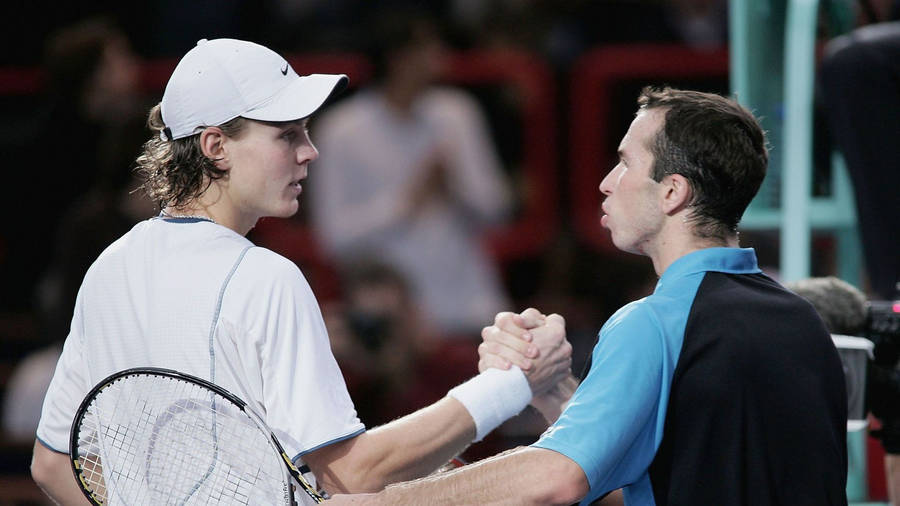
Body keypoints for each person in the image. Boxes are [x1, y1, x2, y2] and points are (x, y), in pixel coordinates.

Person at [29, 38, 572, 504]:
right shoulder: (266, 278)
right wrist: (510, 385)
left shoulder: (109, 267)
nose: (310, 152)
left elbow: (54, 465)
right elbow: (350, 475)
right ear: (215, 146)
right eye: (287, 135)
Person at [328, 87, 849, 505]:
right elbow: (661, 484)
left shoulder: (653, 322)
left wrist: (384, 502)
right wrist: (552, 392)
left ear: (672, 192)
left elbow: (556, 479)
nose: (605, 182)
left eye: (625, 164)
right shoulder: (801, 320)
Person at [310, 11, 513, 337]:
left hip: (470, 307)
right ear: (398, 58)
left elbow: (497, 211)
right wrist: (406, 201)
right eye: (427, 46)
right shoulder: (341, 130)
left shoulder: (458, 112)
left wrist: (453, 185)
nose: (441, 55)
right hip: (390, 323)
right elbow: (334, 239)